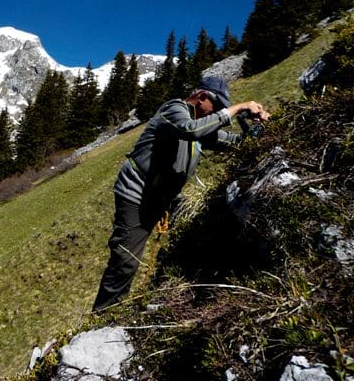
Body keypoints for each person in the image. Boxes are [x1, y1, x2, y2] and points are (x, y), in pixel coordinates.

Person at [92, 76, 270, 312]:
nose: (215, 113)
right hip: (136, 197)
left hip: (161, 199)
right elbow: (190, 131)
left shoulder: (200, 123)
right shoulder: (174, 109)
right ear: (202, 97)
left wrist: (258, 126)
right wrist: (237, 108)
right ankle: (103, 316)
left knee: (202, 230)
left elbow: (234, 142)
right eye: (215, 107)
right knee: (125, 261)